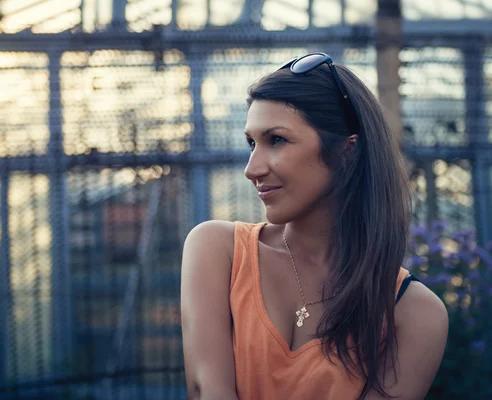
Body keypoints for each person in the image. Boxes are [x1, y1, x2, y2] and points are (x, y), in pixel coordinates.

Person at [180, 52, 448, 400]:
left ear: (346, 152)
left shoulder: (413, 313)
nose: (252, 168)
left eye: (276, 140)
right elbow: (207, 389)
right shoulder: (218, 250)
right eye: (251, 143)